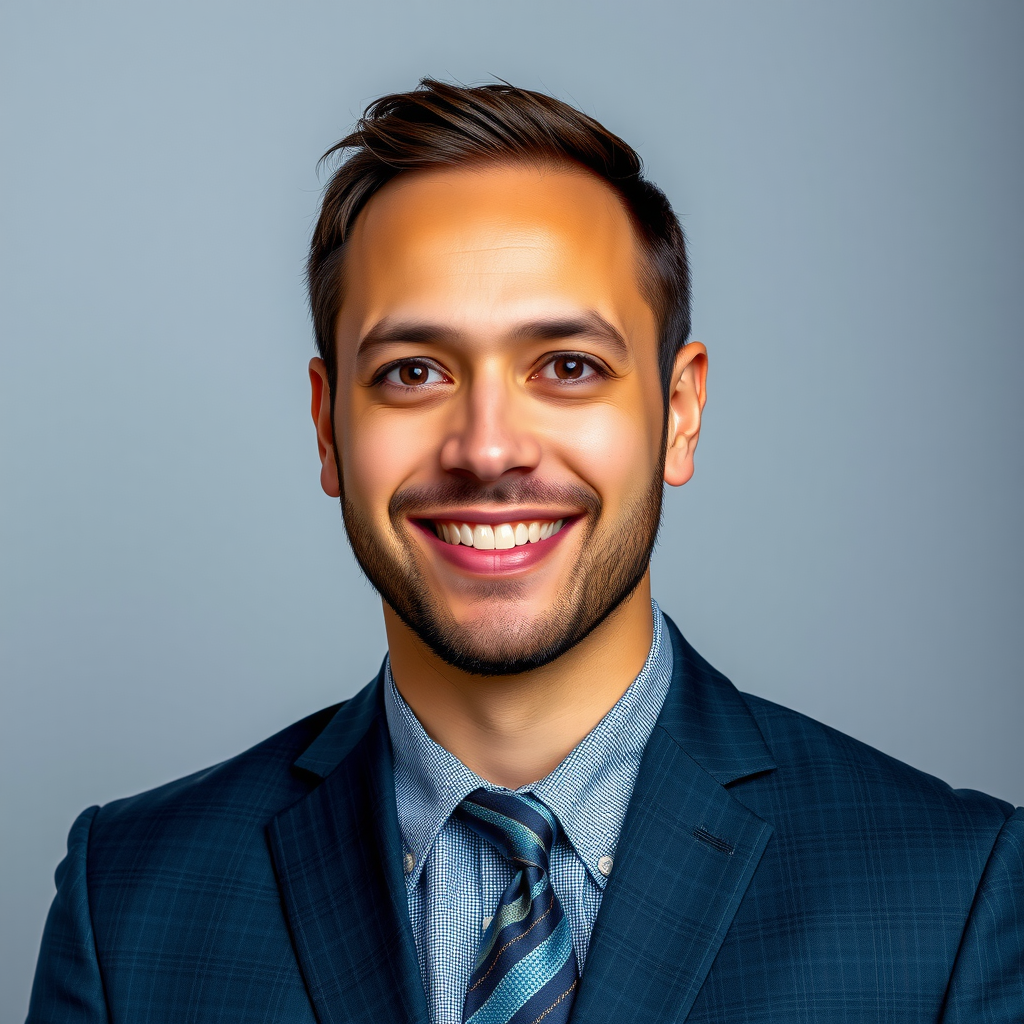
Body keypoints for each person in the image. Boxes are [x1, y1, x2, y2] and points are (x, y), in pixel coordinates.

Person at [27, 79, 1023, 1024]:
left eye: (567, 366)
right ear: (329, 428)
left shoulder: (947, 894)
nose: (488, 447)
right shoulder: (129, 902)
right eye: (414, 370)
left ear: (678, 413)